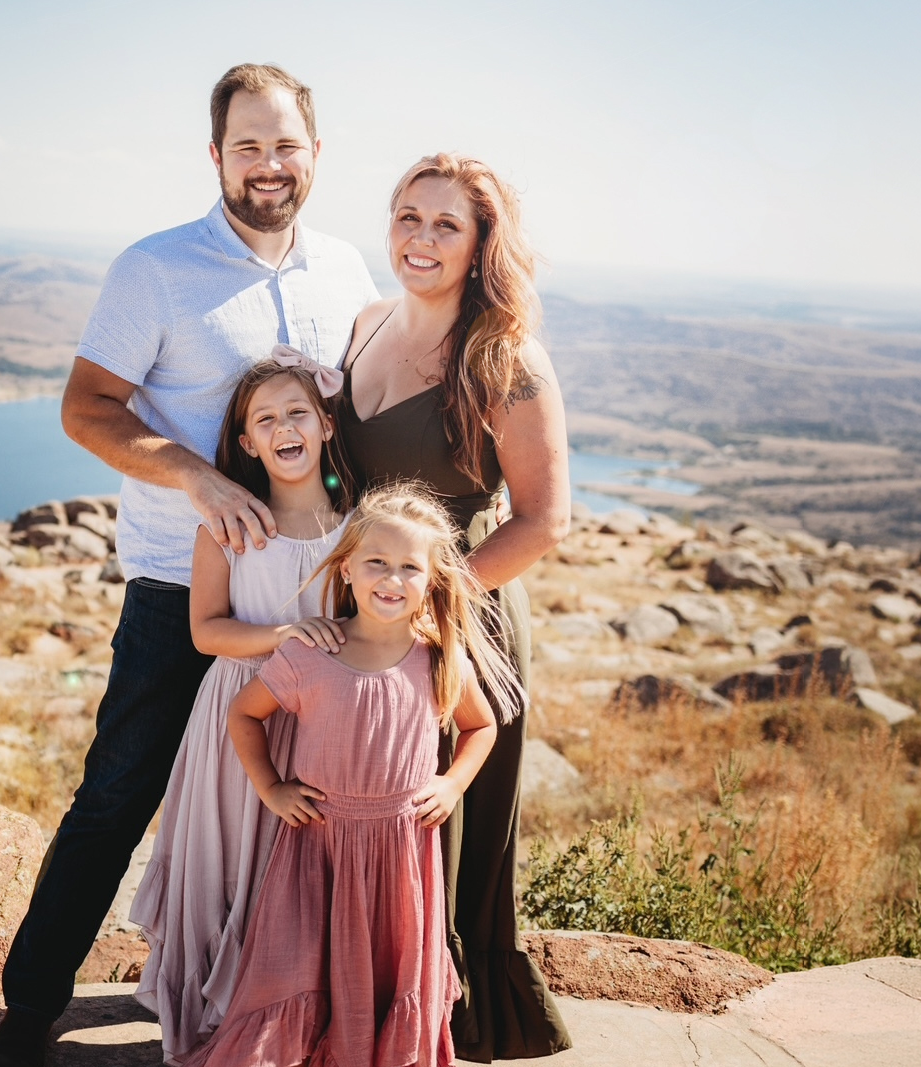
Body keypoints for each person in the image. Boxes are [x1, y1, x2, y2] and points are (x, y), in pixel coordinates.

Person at [0, 64, 378, 1067]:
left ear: (316, 154)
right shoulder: (155, 269)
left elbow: (363, 427)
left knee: (300, 805)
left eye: (285, 144)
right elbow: (87, 409)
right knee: (118, 792)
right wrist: (200, 479)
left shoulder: (346, 272)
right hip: (178, 587)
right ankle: (30, 1011)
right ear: (215, 157)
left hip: (308, 596)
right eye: (246, 145)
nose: (268, 164)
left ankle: (271, 1003)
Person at [337, 153, 574, 1060]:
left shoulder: (504, 355)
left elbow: (545, 519)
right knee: (368, 816)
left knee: (443, 829)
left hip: (460, 623)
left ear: (480, 246)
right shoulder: (364, 324)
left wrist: (435, 604)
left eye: (446, 225)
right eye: (408, 216)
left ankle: (444, 1021)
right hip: (371, 618)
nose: (420, 238)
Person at [185, 484, 519, 1067]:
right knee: (300, 967)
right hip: (318, 847)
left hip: (401, 854)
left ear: (433, 580)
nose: (391, 579)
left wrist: (452, 783)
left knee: (391, 972)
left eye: (409, 568)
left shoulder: (439, 656)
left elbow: (481, 727)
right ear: (347, 566)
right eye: (377, 563)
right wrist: (271, 787)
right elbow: (244, 713)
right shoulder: (313, 652)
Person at [128, 353, 355, 1065]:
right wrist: (282, 636)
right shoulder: (228, 527)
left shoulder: (355, 527)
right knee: (227, 863)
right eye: (265, 420)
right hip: (235, 714)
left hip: (314, 721)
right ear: (247, 442)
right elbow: (207, 630)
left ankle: (281, 1015)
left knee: (291, 866)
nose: (283, 427)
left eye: (296, 413)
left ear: (324, 424)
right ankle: (207, 1013)